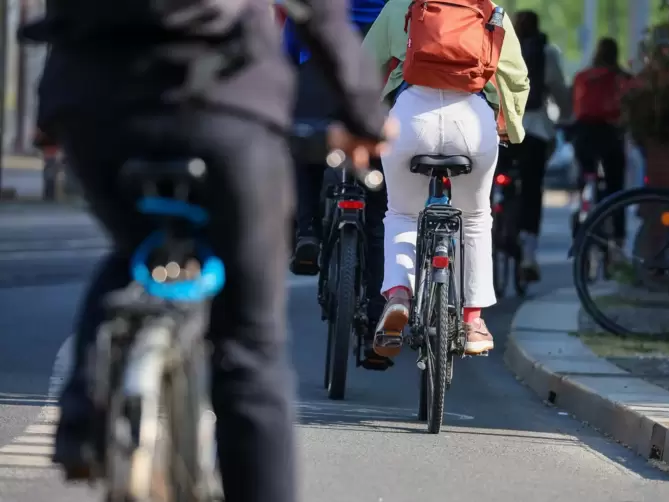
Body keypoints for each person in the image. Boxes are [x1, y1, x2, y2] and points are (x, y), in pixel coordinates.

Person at [23, 2, 393, 501]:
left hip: (95, 105)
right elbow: (321, 14)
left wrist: (53, 105)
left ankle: (81, 416)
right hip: (226, 105)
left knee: (133, 247)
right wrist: (365, 115)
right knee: (248, 346)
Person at [362, 0, 529, 357]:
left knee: (402, 214)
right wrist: (510, 127)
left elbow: (364, 65)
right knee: (475, 218)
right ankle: (472, 322)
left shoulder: (400, 6)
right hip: (472, 122)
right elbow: (515, 76)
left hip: (410, 119)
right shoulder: (491, 9)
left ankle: (398, 295)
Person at [285, 0, 391, 365]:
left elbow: (287, 46)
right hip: (375, 83)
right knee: (379, 216)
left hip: (316, 78)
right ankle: (379, 323)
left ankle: (307, 232)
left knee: (303, 154)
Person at [511, 10, 571, 282]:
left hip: (501, 130)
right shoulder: (546, 53)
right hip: (534, 130)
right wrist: (568, 116)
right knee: (532, 190)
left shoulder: (501, 47)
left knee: (485, 185)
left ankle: (487, 237)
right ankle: (528, 254)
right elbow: (558, 88)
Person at [571, 37, 631, 251]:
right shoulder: (622, 78)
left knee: (586, 178)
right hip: (610, 134)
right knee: (616, 187)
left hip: (584, 134)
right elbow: (629, 109)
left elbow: (573, 107)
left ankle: (583, 209)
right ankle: (618, 238)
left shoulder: (582, 77)